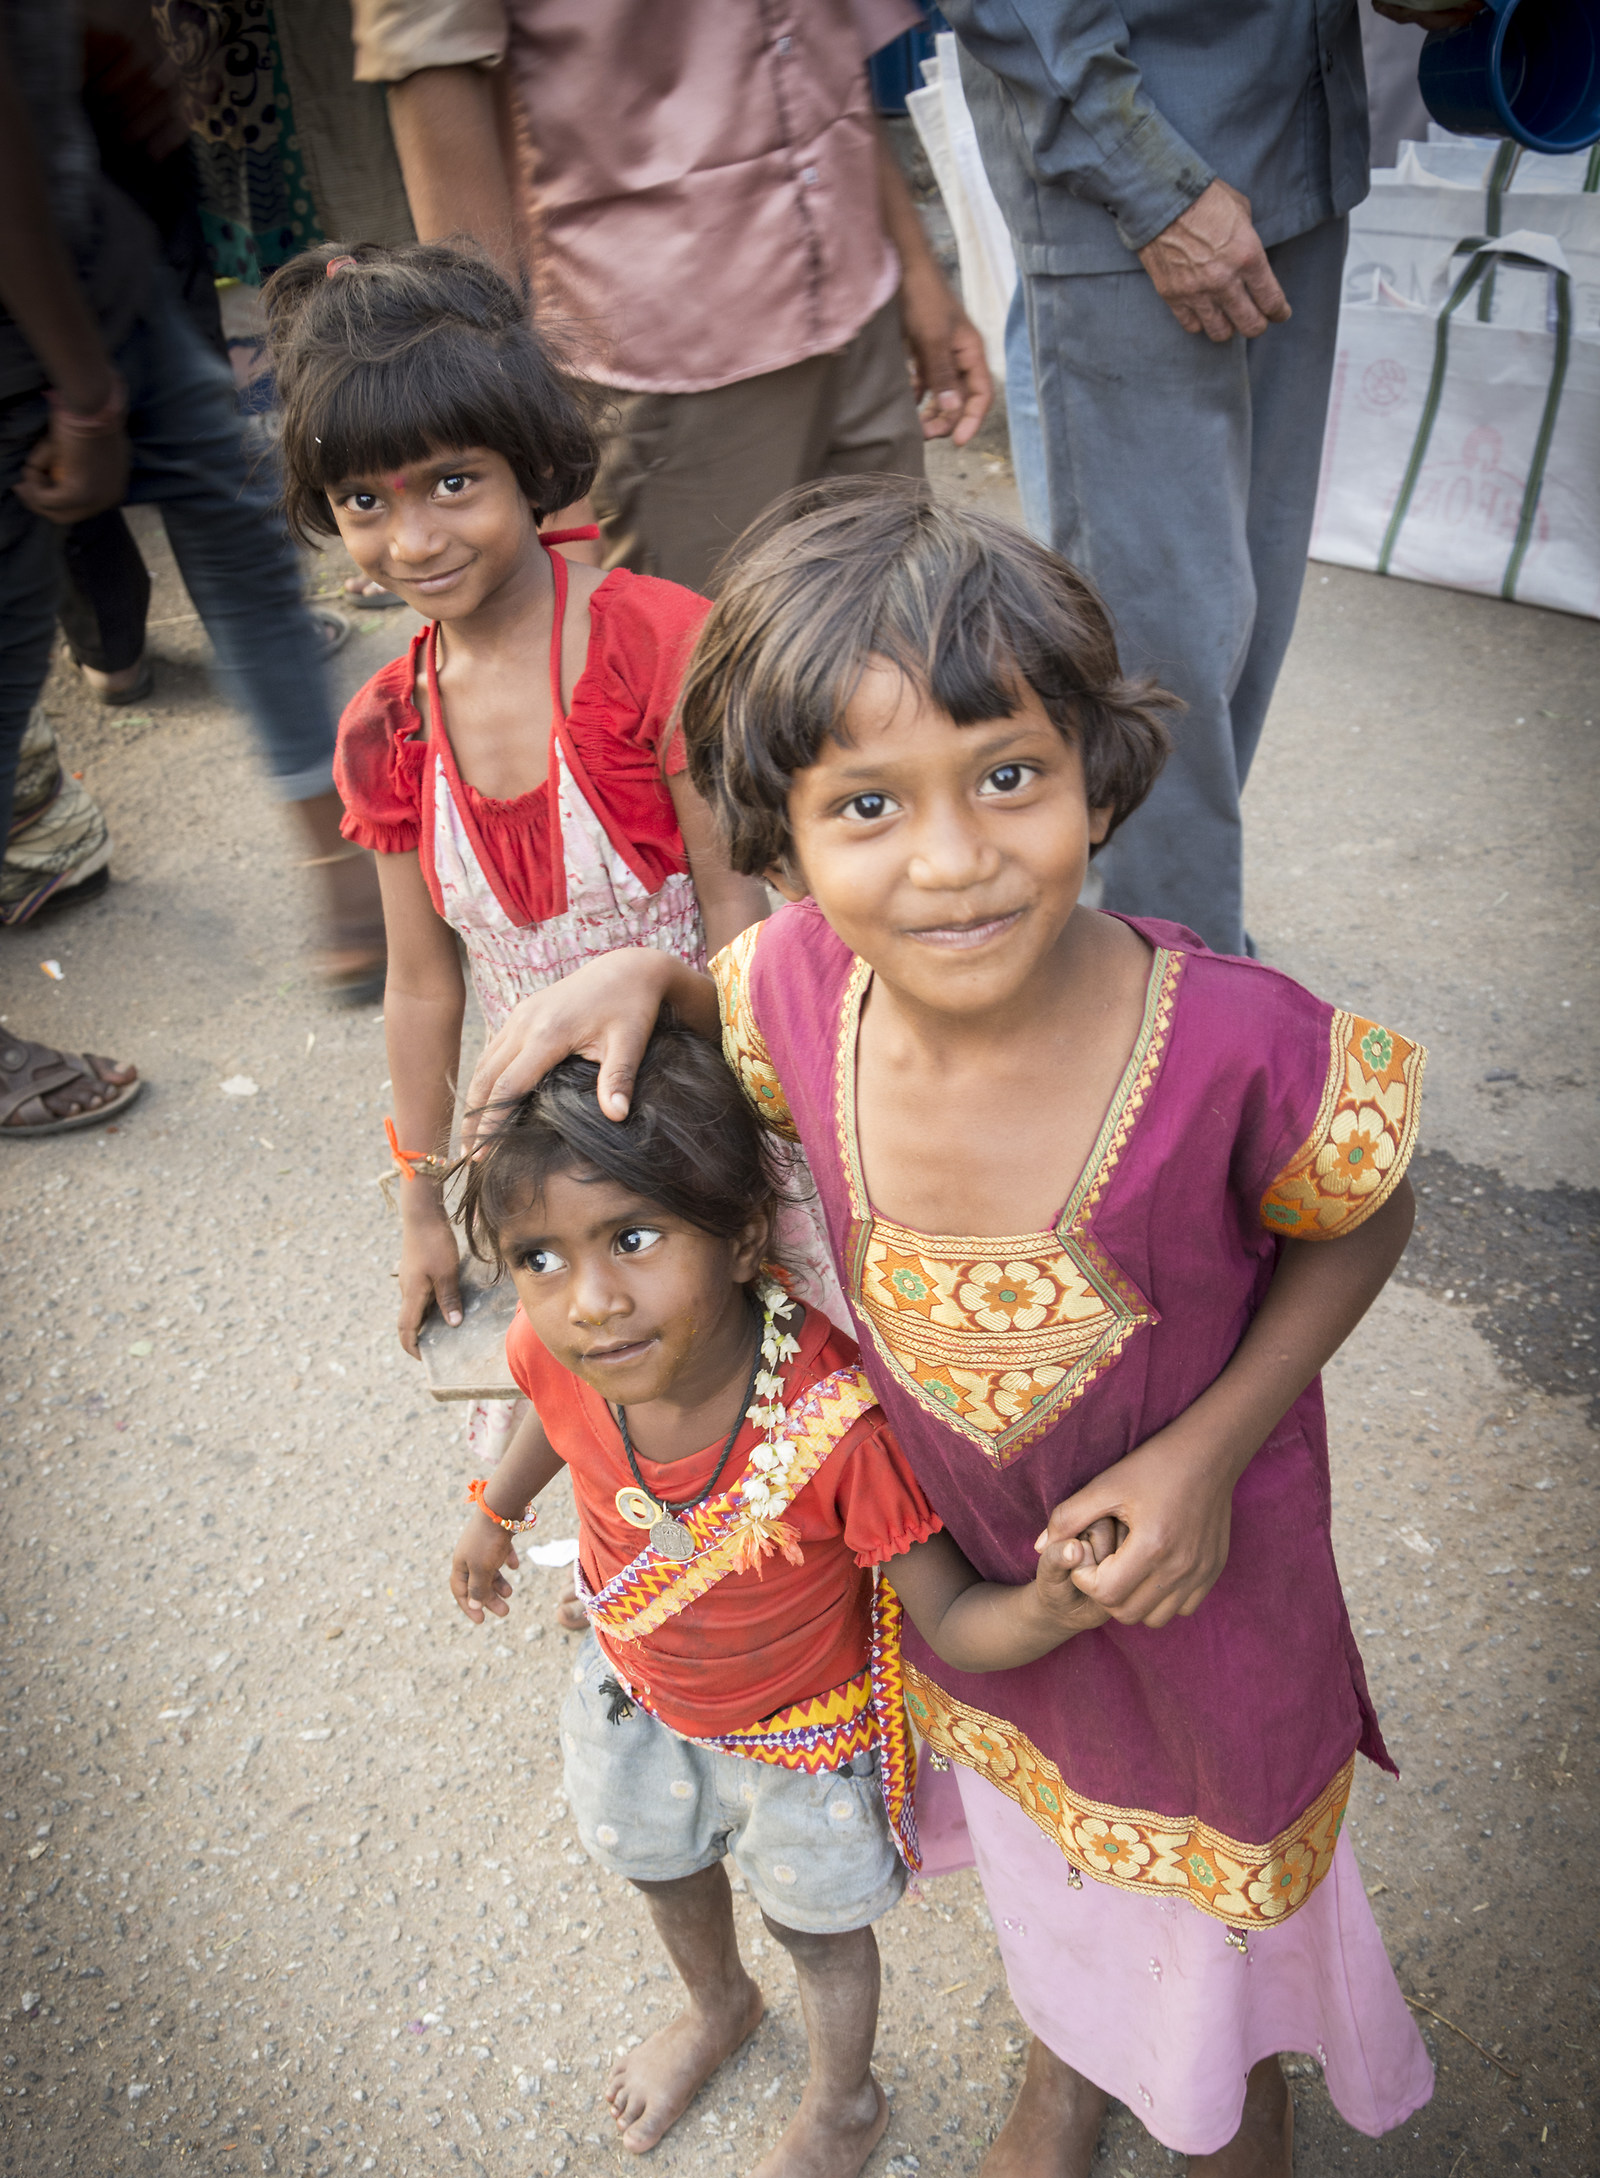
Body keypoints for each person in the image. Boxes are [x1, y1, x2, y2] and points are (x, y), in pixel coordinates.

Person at [461, 484, 1435, 2178]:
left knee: (1232, 1846)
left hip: (1204, 1575)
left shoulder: (1235, 1041)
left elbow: (1368, 1209)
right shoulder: (786, 1000)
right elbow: (716, 975)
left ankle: (1240, 2131)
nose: (955, 859)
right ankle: (1061, 2071)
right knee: (1045, 1848)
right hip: (974, 1584)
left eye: (1009, 775)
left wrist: (1209, 1446)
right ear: (786, 839)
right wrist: (648, 961)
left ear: (1095, 766)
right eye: (866, 809)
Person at [447, 1019, 1116, 2178]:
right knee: (659, 1863)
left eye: (635, 1240)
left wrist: (1054, 1606)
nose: (591, 1300)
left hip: (796, 1744)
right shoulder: (563, 1344)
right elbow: (544, 1404)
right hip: (635, 1687)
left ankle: (841, 2102)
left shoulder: (828, 1425)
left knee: (820, 1927)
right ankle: (716, 2005)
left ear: (745, 1237)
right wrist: (496, 1512)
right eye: (540, 1256)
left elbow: (956, 1617)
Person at [270, 240, 829, 1456]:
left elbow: (740, 915)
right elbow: (424, 987)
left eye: (449, 484)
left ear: (530, 466)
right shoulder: (387, 730)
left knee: (785, 1404)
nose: (411, 539)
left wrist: (749, 1140)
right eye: (366, 502)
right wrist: (421, 1201)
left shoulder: (652, 645)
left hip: (720, 1092)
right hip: (541, 1154)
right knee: (611, 1410)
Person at [929, 0, 1451, 955]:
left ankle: (1136, 941)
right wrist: (1155, 187)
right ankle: (1177, 986)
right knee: (1155, 641)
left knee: (1239, 622)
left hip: (1294, 144)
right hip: (1139, 185)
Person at [0, 0, 384, 1057]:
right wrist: (83, 398)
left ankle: (342, 869)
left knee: (241, 537)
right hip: (34, 327)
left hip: (96, 271)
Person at [347, 0, 993, 595]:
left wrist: (915, 270)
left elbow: (820, 49)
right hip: (657, 352)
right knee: (705, 685)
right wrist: (519, 428)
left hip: (857, 288)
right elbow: (430, 65)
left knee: (897, 641)